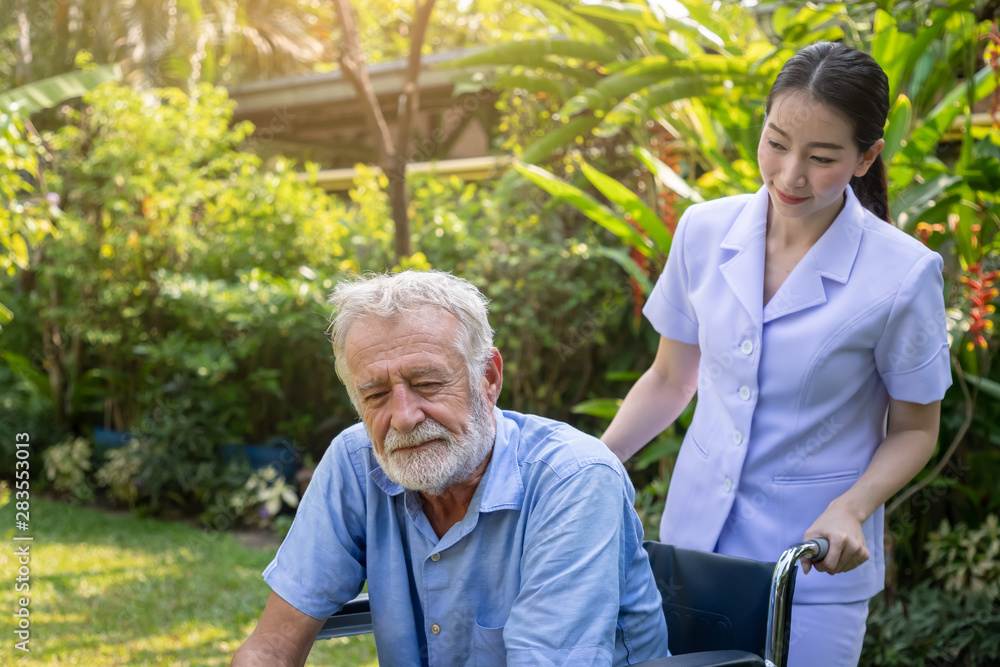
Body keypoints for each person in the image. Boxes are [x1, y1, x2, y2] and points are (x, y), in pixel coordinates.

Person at [600, 42, 951, 666]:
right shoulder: (704, 230)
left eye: (821, 159)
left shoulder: (903, 273)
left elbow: (917, 429)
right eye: (776, 143)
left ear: (866, 157)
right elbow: (669, 379)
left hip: (813, 570)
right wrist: (592, 468)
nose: (789, 176)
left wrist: (853, 506)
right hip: (691, 555)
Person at [232, 270, 670, 667]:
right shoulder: (355, 461)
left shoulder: (575, 480)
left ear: (489, 379)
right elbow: (270, 648)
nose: (403, 417)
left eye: (427, 384)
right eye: (376, 395)